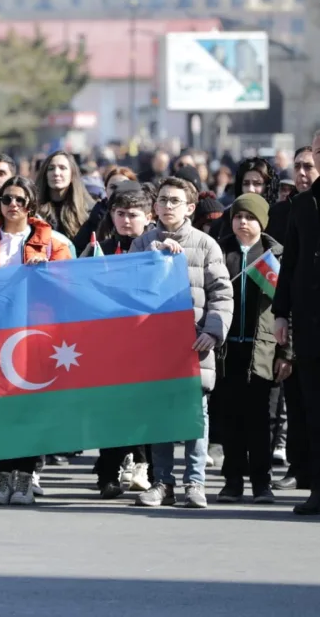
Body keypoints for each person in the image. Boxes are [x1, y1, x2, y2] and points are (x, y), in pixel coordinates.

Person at [0, 176, 71, 505]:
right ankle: (3, 477)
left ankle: (25, 476)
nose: (13, 205)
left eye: (20, 199)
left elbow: (69, 285)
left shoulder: (52, 243)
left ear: (31, 204)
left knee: (30, 408)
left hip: (35, 336)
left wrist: (45, 270)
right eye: (7, 199)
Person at [130, 177, 234, 509]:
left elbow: (222, 294)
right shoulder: (142, 244)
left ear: (190, 208)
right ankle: (162, 482)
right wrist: (153, 257)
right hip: (154, 347)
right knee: (159, 418)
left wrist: (213, 332)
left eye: (175, 201)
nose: (167, 206)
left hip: (195, 346)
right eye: (162, 200)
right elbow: (127, 288)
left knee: (195, 418)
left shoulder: (206, 245)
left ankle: (194, 483)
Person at [216, 194, 291, 505]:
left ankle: (262, 483)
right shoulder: (220, 253)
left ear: (262, 222)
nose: (242, 222)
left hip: (262, 353)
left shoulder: (276, 258)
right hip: (227, 352)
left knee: (260, 421)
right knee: (230, 420)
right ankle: (232, 481)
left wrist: (286, 354)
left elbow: (288, 310)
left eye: (249, 217)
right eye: (237, 216)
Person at [84, 182, 155, 497]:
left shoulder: (157, 247)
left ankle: (145, 467)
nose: (127, 220)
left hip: (146, 342)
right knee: (110, 411)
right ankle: (108, 475)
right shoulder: (101, 248)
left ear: (148, 215)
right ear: (111, 214)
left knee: (144, 409)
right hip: (108, 342)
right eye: (120, 213)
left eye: (134, 214)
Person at [273, 132, 320, 515]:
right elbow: (289, 265)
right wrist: (281, 313)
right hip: (310, 322)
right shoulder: (302, 204)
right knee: (313, 407)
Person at [36, 150, 93, 249]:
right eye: (51, 168)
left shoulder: (88, 211)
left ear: (72, 175)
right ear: (45, 174)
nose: (56, 173)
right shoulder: (33, 210)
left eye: (63, 168)